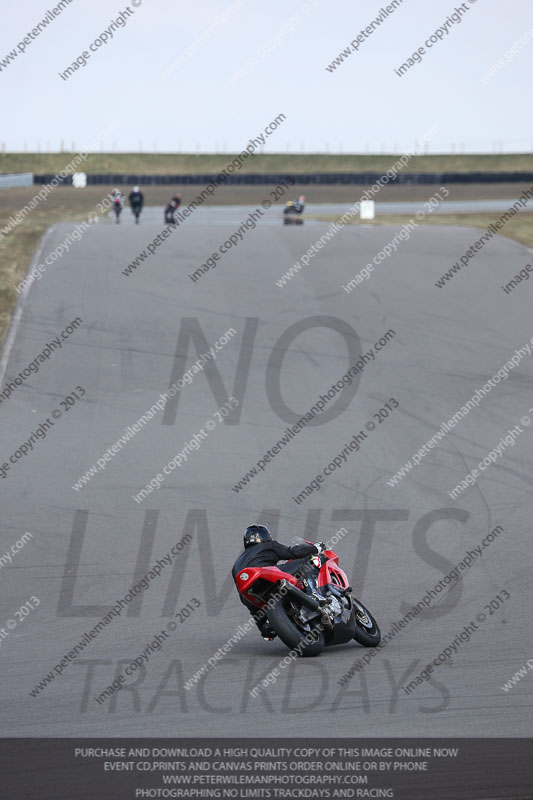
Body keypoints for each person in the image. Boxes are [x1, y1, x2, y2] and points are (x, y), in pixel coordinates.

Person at [232, 524, 326, 641]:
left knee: (253, 608)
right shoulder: (268, 546)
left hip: (251, 594)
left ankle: (267, 628)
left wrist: (262, 626)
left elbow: (244, 598)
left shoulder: (237, 563)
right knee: (313, 560)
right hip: (267, 576)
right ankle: (313, 592)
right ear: (265, 537)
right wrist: (315, 548)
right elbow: (293, 552)